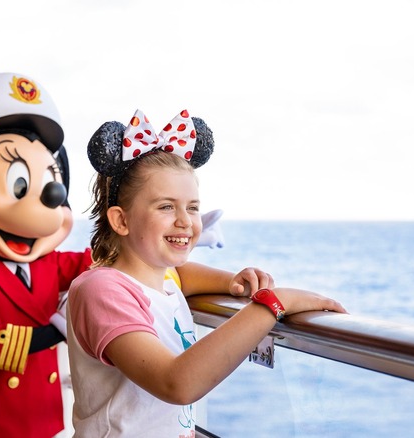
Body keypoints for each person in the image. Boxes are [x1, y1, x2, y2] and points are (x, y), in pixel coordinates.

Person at [67, 109, 347, 437]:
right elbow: (176, 383)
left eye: (193, 207)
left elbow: (181, 275)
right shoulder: (100, 289)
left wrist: (229, 282)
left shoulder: (162, 278)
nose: (185, 221)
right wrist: (272, 303)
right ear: (121, 220)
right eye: (166, 207)